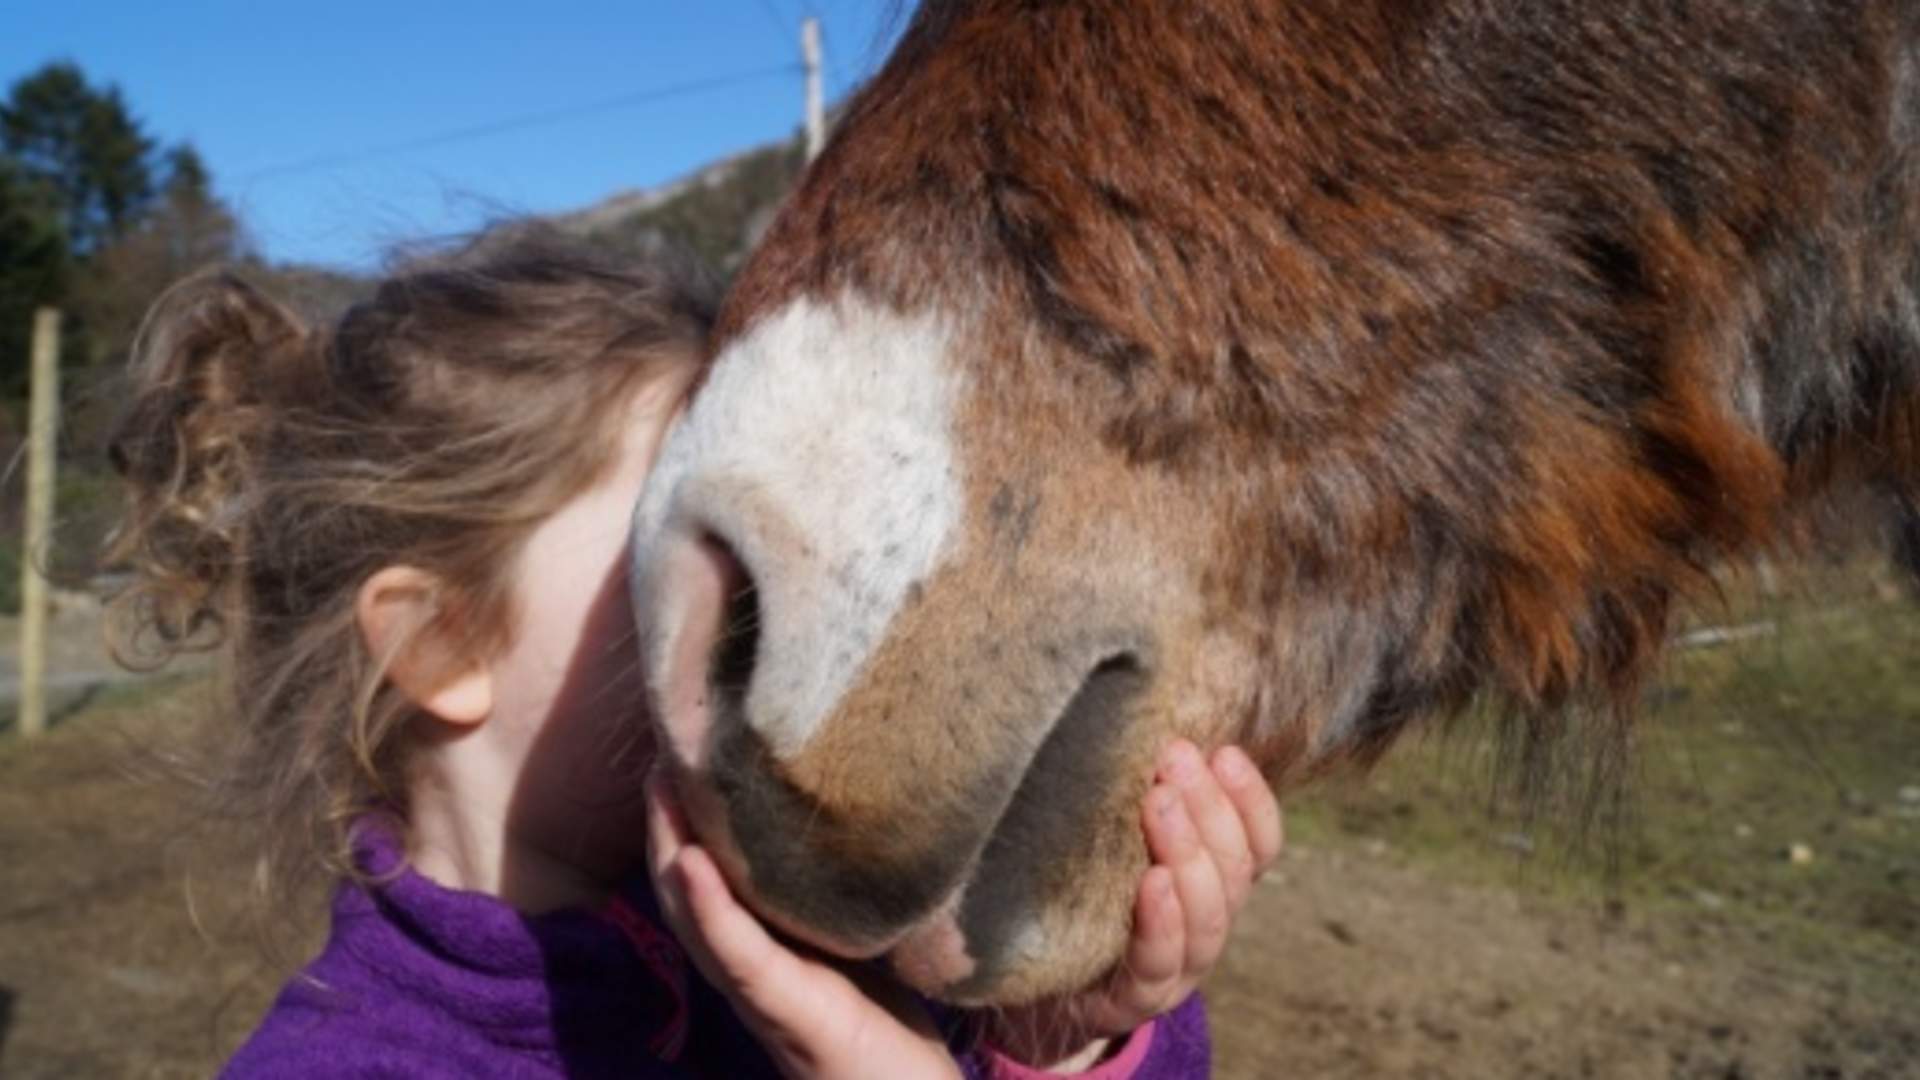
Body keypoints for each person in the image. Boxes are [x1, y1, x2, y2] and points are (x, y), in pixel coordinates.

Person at [105, 228, 1284, 1079]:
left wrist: (1059, 1035)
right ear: (434, 639)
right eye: (673, 544)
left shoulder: (801, 959)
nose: (793, 621)